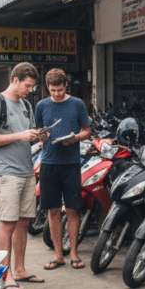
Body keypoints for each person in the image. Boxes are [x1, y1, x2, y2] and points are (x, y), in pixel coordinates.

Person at [0, 63, 48, 289]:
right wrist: (20, 135)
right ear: (15, 80)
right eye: (27, 86)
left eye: (32, 86)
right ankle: (4, 273)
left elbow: (26, 136)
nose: (30, 90)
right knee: (8, 223)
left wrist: (38, 135)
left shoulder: (27, 105)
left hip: (27, 170)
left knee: (23, 222)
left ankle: (19, 269)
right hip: (6, 171)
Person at [35, 68, 92, 270]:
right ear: (47, 88)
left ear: (66, 85)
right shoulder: (41, 105)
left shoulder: (77, 104)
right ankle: (58, 255)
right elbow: (37, 131)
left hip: (71, 164)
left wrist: (75, 138)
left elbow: (87, 131)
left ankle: (74, 253)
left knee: (72, 209)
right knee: (53, 211)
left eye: (60, 89)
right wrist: (41, 136)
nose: (57, 94)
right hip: (48, 163)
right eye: (53, 90)